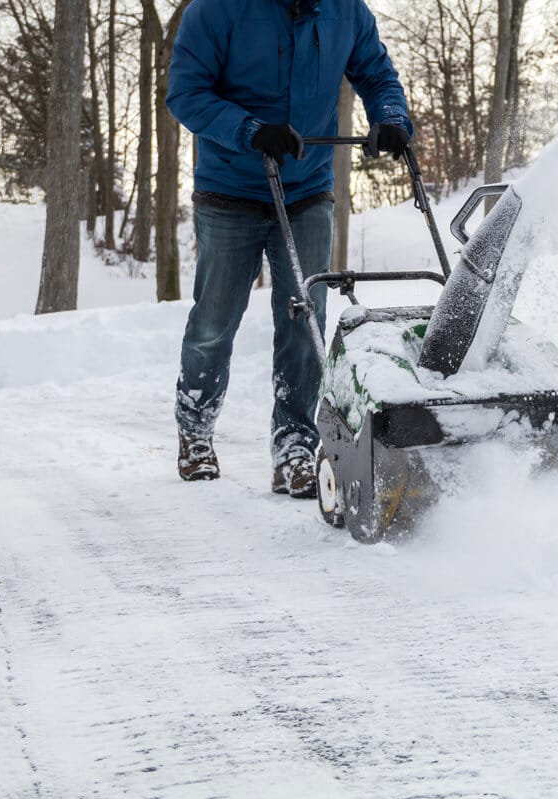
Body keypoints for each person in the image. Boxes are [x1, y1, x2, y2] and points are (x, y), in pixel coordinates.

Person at [166, 0, 412, 497]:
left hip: (306, 188)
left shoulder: (346, 11)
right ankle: (195, 431)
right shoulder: (215, 10)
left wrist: (390, 118)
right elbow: (186, 94)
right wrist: (251, 131)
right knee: (215, 320)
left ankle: (294, 444)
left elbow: (377, 73)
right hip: (228, 188)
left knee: (305, 318)